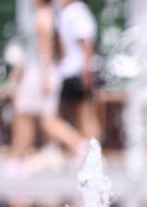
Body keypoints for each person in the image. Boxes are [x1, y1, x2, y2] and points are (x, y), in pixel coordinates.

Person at [9, 0, 88, 173]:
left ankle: (19, 159)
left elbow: (43, 51)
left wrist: (45, 76)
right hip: (48, 71)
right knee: (45, 119)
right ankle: (79, 145)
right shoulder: (53, 16)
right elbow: (59, 51)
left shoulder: (42, 16)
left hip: (38, 73)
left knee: (25, 115)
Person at [56, 0, 101, 140]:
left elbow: (86, 42)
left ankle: (88, 147)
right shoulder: (73, 12)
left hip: (75, 70)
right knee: (80, 113)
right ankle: (89, 148)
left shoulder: (76, 12)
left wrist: (86, 71)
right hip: (72, 70)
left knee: (81, 113)